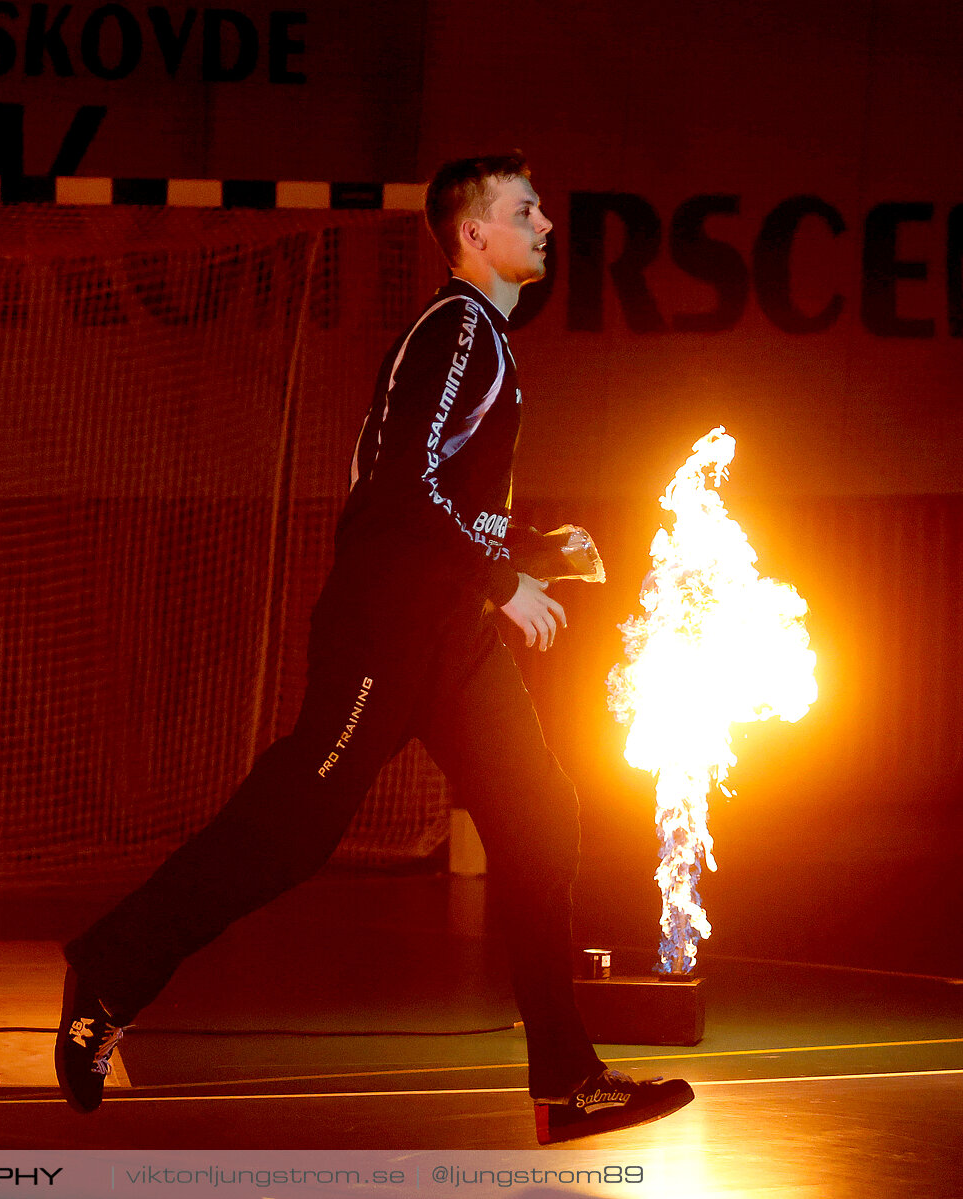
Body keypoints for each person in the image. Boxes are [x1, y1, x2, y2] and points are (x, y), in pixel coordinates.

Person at [54, 154, 694, 1145]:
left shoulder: (477, 338)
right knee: (292, 827)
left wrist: (529, 552)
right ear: (473, 235)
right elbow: (396, 486)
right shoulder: (457, 330)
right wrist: (499, 579)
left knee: (541, 819)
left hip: (449, 630)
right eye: (525, 212)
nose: (547, 227)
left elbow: (432, 491)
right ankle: (111, 965)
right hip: (387, 628)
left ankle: (569, 1079)